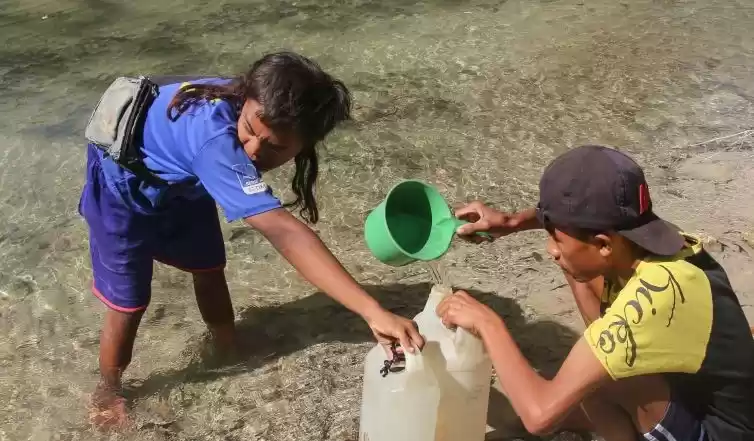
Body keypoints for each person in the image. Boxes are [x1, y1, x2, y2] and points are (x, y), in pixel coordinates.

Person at [78, 52, 424, 428]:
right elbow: (283, 231)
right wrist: (373, 311)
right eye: (249, 130)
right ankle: (108, 389)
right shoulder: (215, 143)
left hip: (180, 180)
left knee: (209, 266)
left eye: (274, 147)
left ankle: (227, 344)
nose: (253, 151)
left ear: (306, 144)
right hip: (121, 184)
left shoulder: (252, 111)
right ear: (244, 97)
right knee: (129, 302)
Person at [439, 145, 754, 441]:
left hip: (721, 432)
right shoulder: (645, 239)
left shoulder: (655, 297)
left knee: (601, 382)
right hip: (702, 395)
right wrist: (512, 222)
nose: (550, 250)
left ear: (603, 244)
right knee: (579, 273)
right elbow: (582, 225)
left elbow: (539, 416)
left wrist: (488, 324)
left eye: (556, 238)